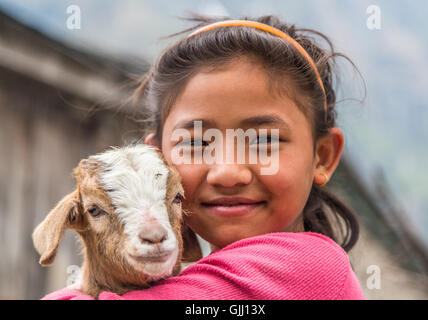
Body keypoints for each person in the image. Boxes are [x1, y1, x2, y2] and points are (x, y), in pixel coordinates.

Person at [43, 14, 365, 300]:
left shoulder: (311, 269)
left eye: (264, 140)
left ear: (322, 157)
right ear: (158, 163)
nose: (227, 171)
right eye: (196, 143)